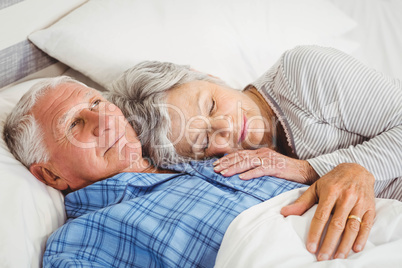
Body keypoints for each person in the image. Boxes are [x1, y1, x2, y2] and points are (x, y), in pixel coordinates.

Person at [106, 45, 402, 261]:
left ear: (205, 75)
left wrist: (309, 169)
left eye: (210, 105)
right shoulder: (236, 173)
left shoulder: (302, 72)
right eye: (204, 140)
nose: (226, 128)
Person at [2, 77, 310, 267]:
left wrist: (341, 173)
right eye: (73, 124)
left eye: (96, 103)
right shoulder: (80, 246)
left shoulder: (194, 149)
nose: (105, 121)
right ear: (51, 176)